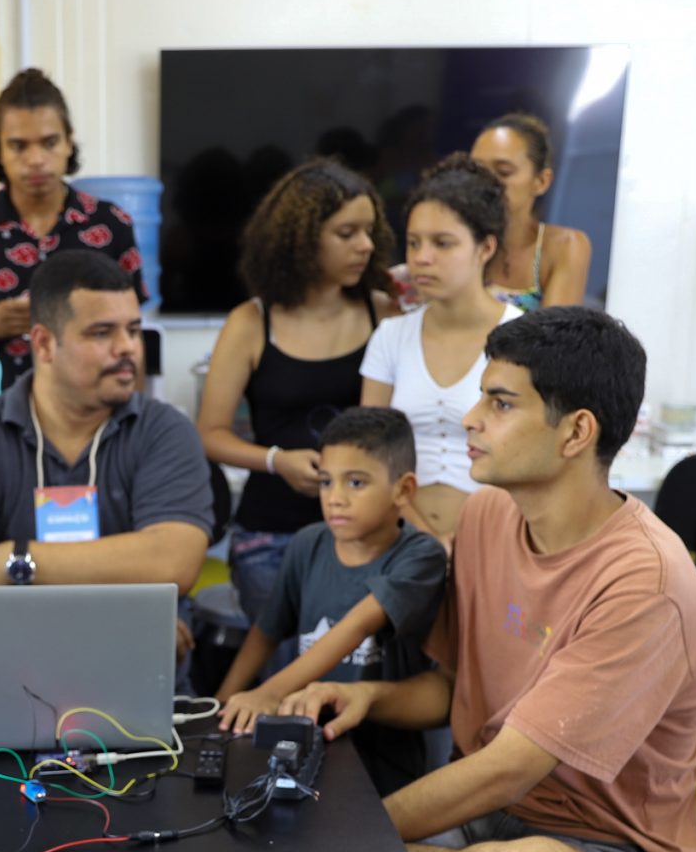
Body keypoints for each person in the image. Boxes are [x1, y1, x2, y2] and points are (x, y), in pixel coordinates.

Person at [285, 308, 696, 852]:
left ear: (577, 431)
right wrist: (370, 695)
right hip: (484, 817)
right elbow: (453, 689)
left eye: (500, 403)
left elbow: (511, 767)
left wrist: (352, 837)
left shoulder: (645, 580)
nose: (470, 419)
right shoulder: (486, 517)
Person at [0, 250, 210, 595]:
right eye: (102, 333)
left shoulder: (165, 429)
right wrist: (128, 567)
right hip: (13, 632)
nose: (127, 348)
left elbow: (173, 563)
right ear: (44, 344)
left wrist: (16, 559)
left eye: (133, 330)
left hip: (127, 631)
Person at [199, 159, 397, 628]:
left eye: (369, 231)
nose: (366, 245)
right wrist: (277, 461)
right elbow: (209, 433)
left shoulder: (386, 314)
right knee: (286, 659)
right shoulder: (251, 322)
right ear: (301, 240)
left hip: (365, 535)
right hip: (270, 536)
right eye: (346, 233)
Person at [215, 408, 444, 793]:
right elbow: (266, 632)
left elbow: (359, 624)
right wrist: (221, 709)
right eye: (325, 482)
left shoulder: (422, 556)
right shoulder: (307, 543)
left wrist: (270, 692)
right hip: (303, 751)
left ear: (403, 490)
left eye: (355, 482)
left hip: (383, 764)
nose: (335, 498)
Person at [0, 69, 147, 388]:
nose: (36, 159)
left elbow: (133, 336)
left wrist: (135, 412)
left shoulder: (111, 225)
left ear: (69, 142)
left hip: (94, 405)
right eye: (18, 146)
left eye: (50, 143)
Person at [361, 155, 522, 541]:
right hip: (402, 540)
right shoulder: (391, 336)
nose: (422, 258)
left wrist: (468, 545)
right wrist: (428, 542)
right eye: (414, 243)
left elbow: (532, 459)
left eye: (442, 243)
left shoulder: (524, 337)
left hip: (497, 538)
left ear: (485, 247)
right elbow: (369, 452)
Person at [471, 113, 592, 311]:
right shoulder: (458, 242)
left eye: (503, 172)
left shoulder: (564, 246)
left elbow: (555, 330)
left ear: (541, 181)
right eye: (476, 171)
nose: (486, 182)